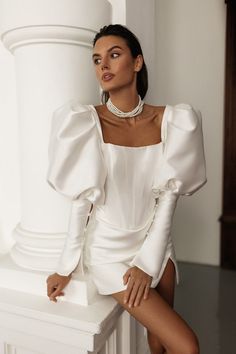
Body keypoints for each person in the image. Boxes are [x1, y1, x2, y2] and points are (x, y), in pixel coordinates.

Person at [46, 24, 207, 354]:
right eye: (96, 59)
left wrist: (149, 262)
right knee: (188, 346)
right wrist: (65, 267)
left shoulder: (172, 120)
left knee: (158, 341)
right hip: (109, 256)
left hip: (156, 245)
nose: (102, 66)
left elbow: (168, 198)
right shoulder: (86, 122)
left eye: (114, 55)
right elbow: (82, 204)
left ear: (137, 62)